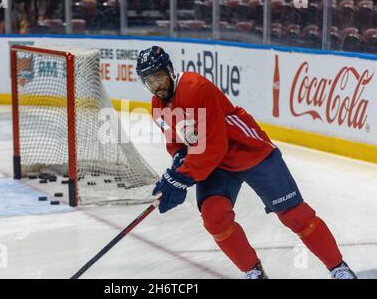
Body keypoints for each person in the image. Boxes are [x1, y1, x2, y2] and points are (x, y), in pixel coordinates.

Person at [136, 46, 357, 279]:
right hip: (215, 163)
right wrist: (177, 167)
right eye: (149, 81)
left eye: (158, 76)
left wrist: (181, 177)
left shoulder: (195, 87)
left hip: (248, 151)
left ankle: (338, 268)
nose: (156, 85)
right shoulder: (157, 107)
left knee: (295, 215)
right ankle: (253, 271)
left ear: (169, 71)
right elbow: (178, 145)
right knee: (214, 217)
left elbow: (214, 144)